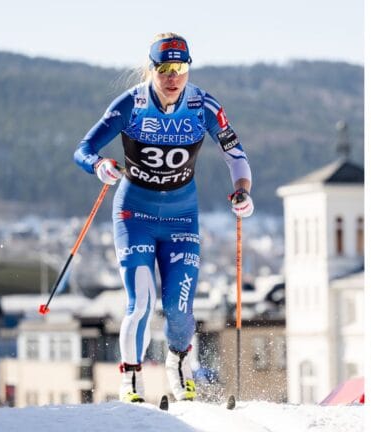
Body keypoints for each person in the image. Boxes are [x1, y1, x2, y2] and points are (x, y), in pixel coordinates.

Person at [74, 33, 254, 402]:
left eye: (180, 68)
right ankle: (131, 380)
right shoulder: (132, 103)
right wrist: (99, 165)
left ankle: (178, 361)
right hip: (134, 213)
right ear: (151, 68)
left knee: (178, 306)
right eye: (164, 69)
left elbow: (235, 155)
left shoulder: (203, 105)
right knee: (140, 303)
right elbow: (84, 148)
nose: (173, 77)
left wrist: (242, 192)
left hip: (181, 217)